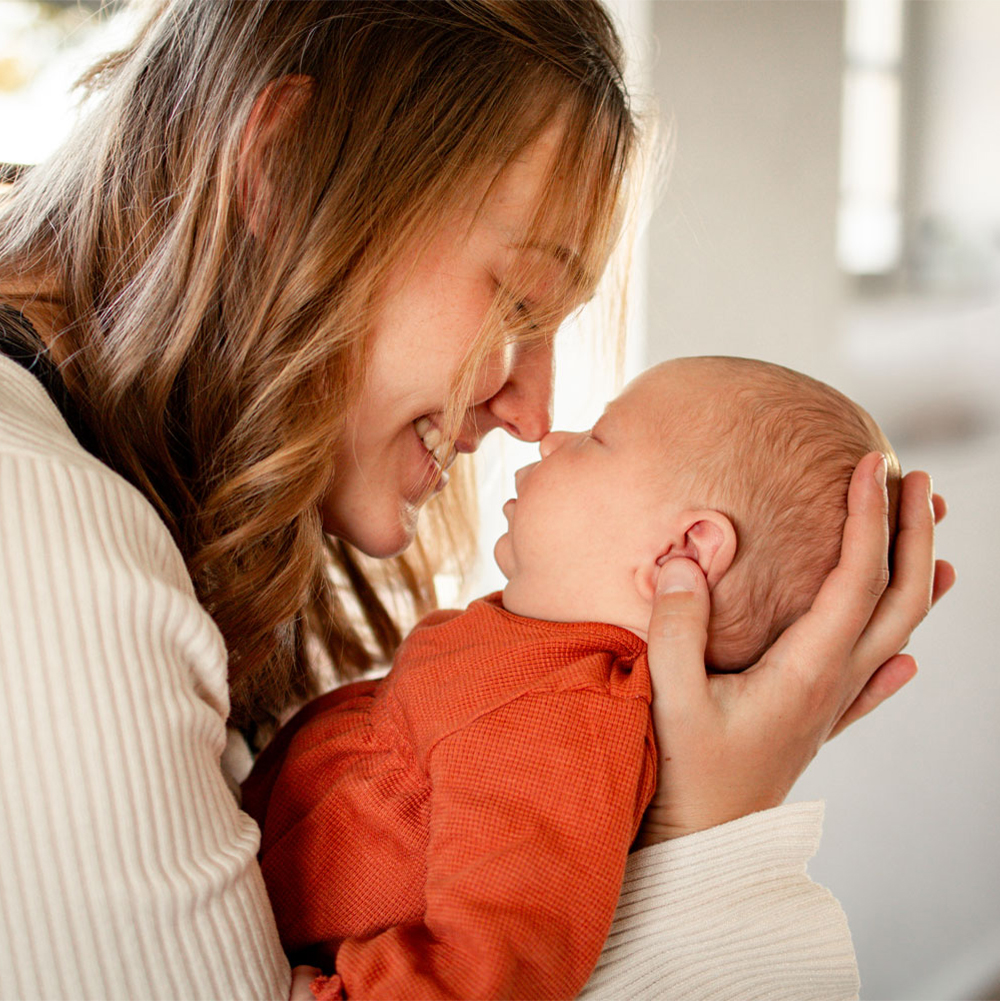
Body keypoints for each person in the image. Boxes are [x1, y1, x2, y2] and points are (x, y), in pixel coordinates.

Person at [0, 3, 951, 999]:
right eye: (517, 301)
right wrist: (701, 837)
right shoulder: (46, 538)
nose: (533, 411)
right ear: (285, 173)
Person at [242, 356, 902, 1000]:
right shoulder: (535, 662)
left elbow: (500, 959)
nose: (550, 436)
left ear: (684, 551)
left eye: (596, 438)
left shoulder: (566, 717)